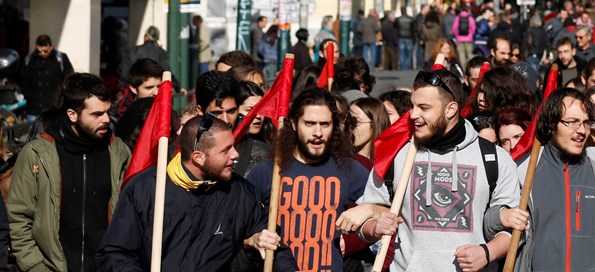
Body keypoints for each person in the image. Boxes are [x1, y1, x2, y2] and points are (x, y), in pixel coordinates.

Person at [339, 69, 521, 271]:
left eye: (424, 108)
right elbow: (366, 225)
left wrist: (488, 253)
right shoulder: (396, 155)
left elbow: (513, 228)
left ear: (450, 109)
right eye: (413, 106)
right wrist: (375, 227)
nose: (413, 115)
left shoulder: (494, 159)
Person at [96, 114, 293, 272]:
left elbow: (273, 247)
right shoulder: (146, 189)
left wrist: (266, 247)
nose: (235, 155)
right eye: (226, 150)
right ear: (198, 157)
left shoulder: (240, 192)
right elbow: (114, 254)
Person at [9, 73, 130, 272]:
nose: (107, 119)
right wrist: (35, 267)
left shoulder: (119, 153)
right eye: (97, 114)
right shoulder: (37, 154)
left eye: (108, 112)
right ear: (72, 114)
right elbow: (18, 217)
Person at [513, 87, 595, 272]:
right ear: (550, 123)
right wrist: (500, 217)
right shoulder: (524, 171)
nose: (581, 130)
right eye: (572, 122)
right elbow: (491, 223)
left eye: (586, 123)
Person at [248, 88, 369, 272]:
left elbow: (391, 210)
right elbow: (235, 230)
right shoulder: (268, 171)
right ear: (295, 124)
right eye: (310, 123)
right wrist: (253, 240)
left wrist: (370, 209)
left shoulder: (349, 169)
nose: (318, 132)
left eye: (325, 124)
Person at [20, 34, 74, 118]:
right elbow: (23, 80)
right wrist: (28, 96)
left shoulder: (60, 58)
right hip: (34, 108)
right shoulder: (29, 59)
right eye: (39, 51)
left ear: (51, 47)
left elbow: (69, 78)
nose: (42, 53)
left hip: (54, 108)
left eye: (45, 51)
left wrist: (61, 98)